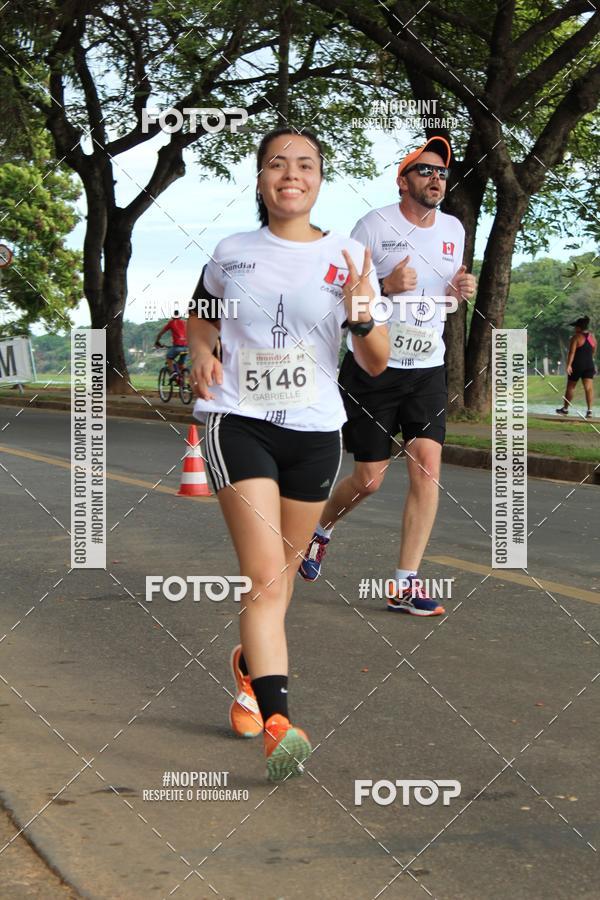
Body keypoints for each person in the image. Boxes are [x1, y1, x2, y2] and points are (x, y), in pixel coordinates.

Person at [187, 127, 389, 782]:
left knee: (277, 587)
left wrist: (361, 317)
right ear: (260, 180)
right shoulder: (232, 251)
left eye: (305, 164)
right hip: (237, 421)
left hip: (315, 432)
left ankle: (249, 671)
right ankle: (279, 722)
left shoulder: (349, 255)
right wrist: (199, 348)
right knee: (266, 578)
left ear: (320, 180)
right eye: (278, 164)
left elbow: (375, 360)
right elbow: (202, 310)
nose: (291, 174)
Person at [300, 136, 477, 616]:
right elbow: (337, 293)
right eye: (425, 171)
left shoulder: (455, 229)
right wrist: (384, 284)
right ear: (403, 181)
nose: (436, 178)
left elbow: (448, 297)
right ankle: (319, 528)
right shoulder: (372, 226)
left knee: (427, 466)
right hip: (373, 366)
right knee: (370, 479)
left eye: (441, 171)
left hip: (427, 367)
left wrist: (461, 290)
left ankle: (404, 583)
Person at [556, 316, 596, 419]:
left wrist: (569, 365)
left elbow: (572, 352)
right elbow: (593, 350)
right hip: (589, 364)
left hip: (577, 365)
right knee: (589, 388)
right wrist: (589, 359)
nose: (574, 329)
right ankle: (590, 411)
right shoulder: (592, 337)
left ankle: (565, 409)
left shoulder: (576, 337)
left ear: (579, 328)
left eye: (575, 327)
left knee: (571, 387)